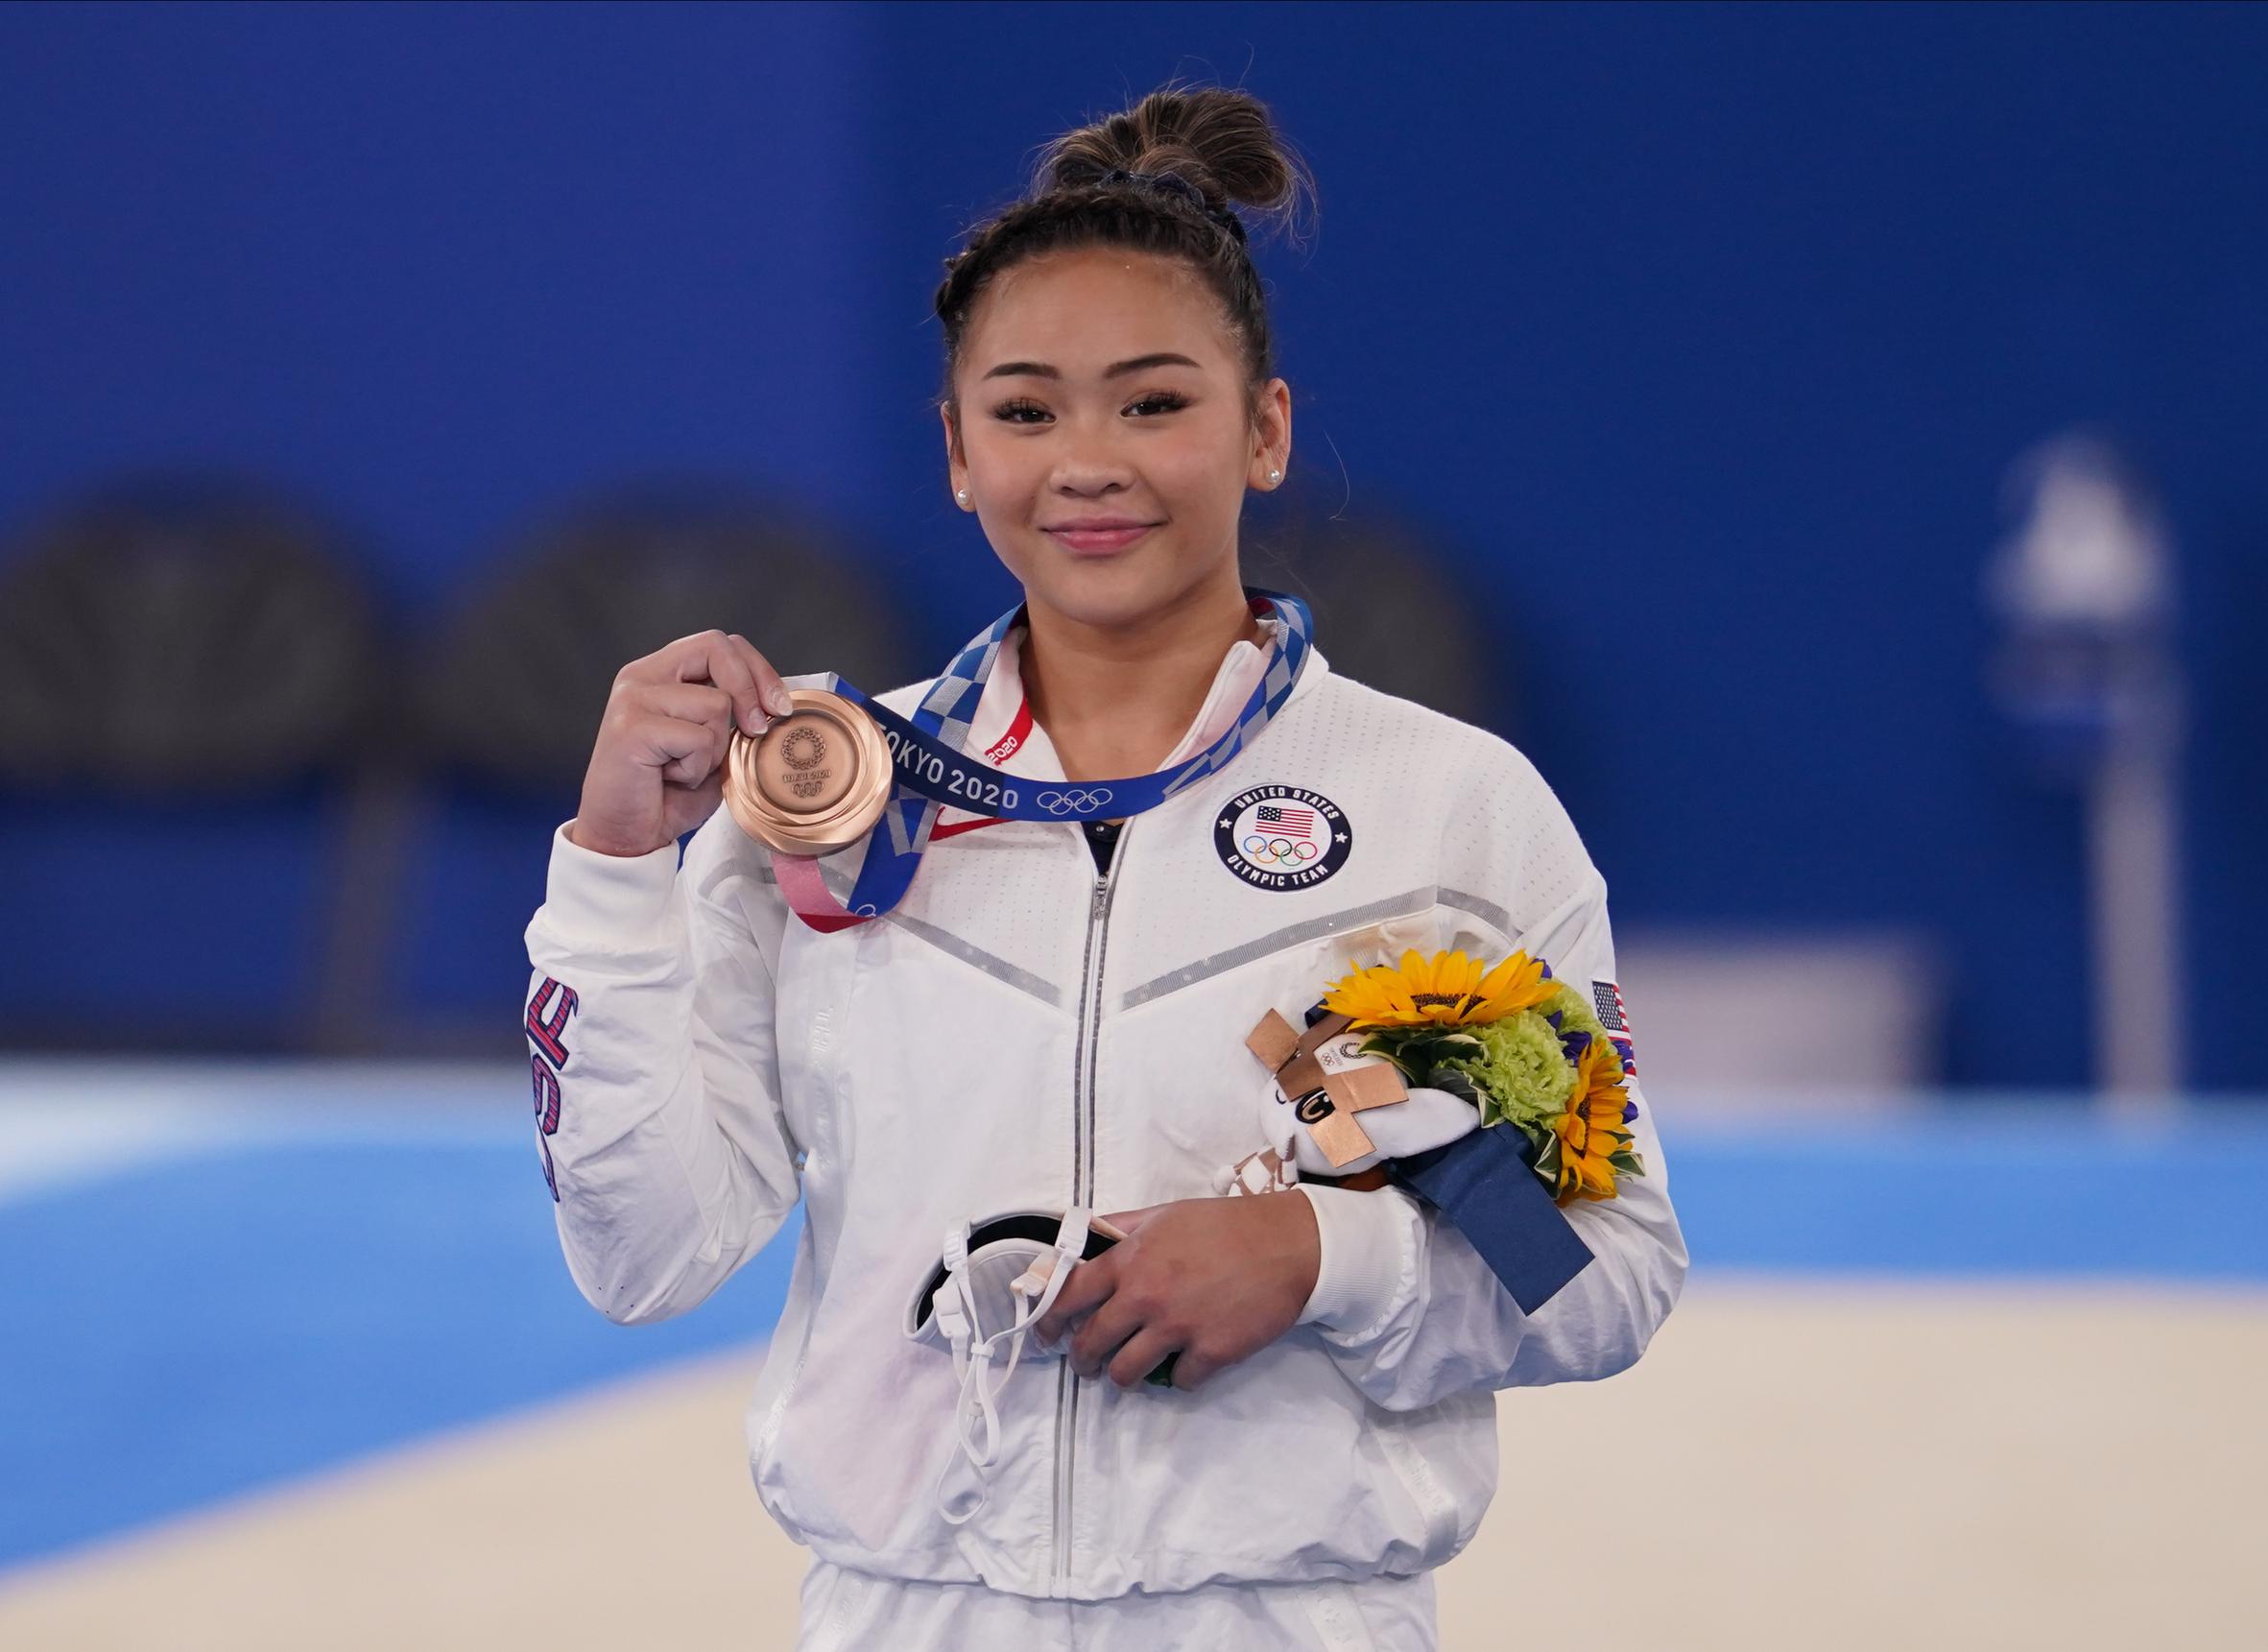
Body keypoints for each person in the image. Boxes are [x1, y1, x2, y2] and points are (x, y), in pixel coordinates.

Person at [522, 84, 1687, 1651]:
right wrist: (610, 869)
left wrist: (1318, 1253)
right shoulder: (824, 802)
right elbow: (643, 1257)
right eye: (1024, 410)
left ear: (1265, 427)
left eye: (1154, 403)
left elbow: (1592, 1269)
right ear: (951, 450)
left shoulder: (1444, 810)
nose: (1087, 462)